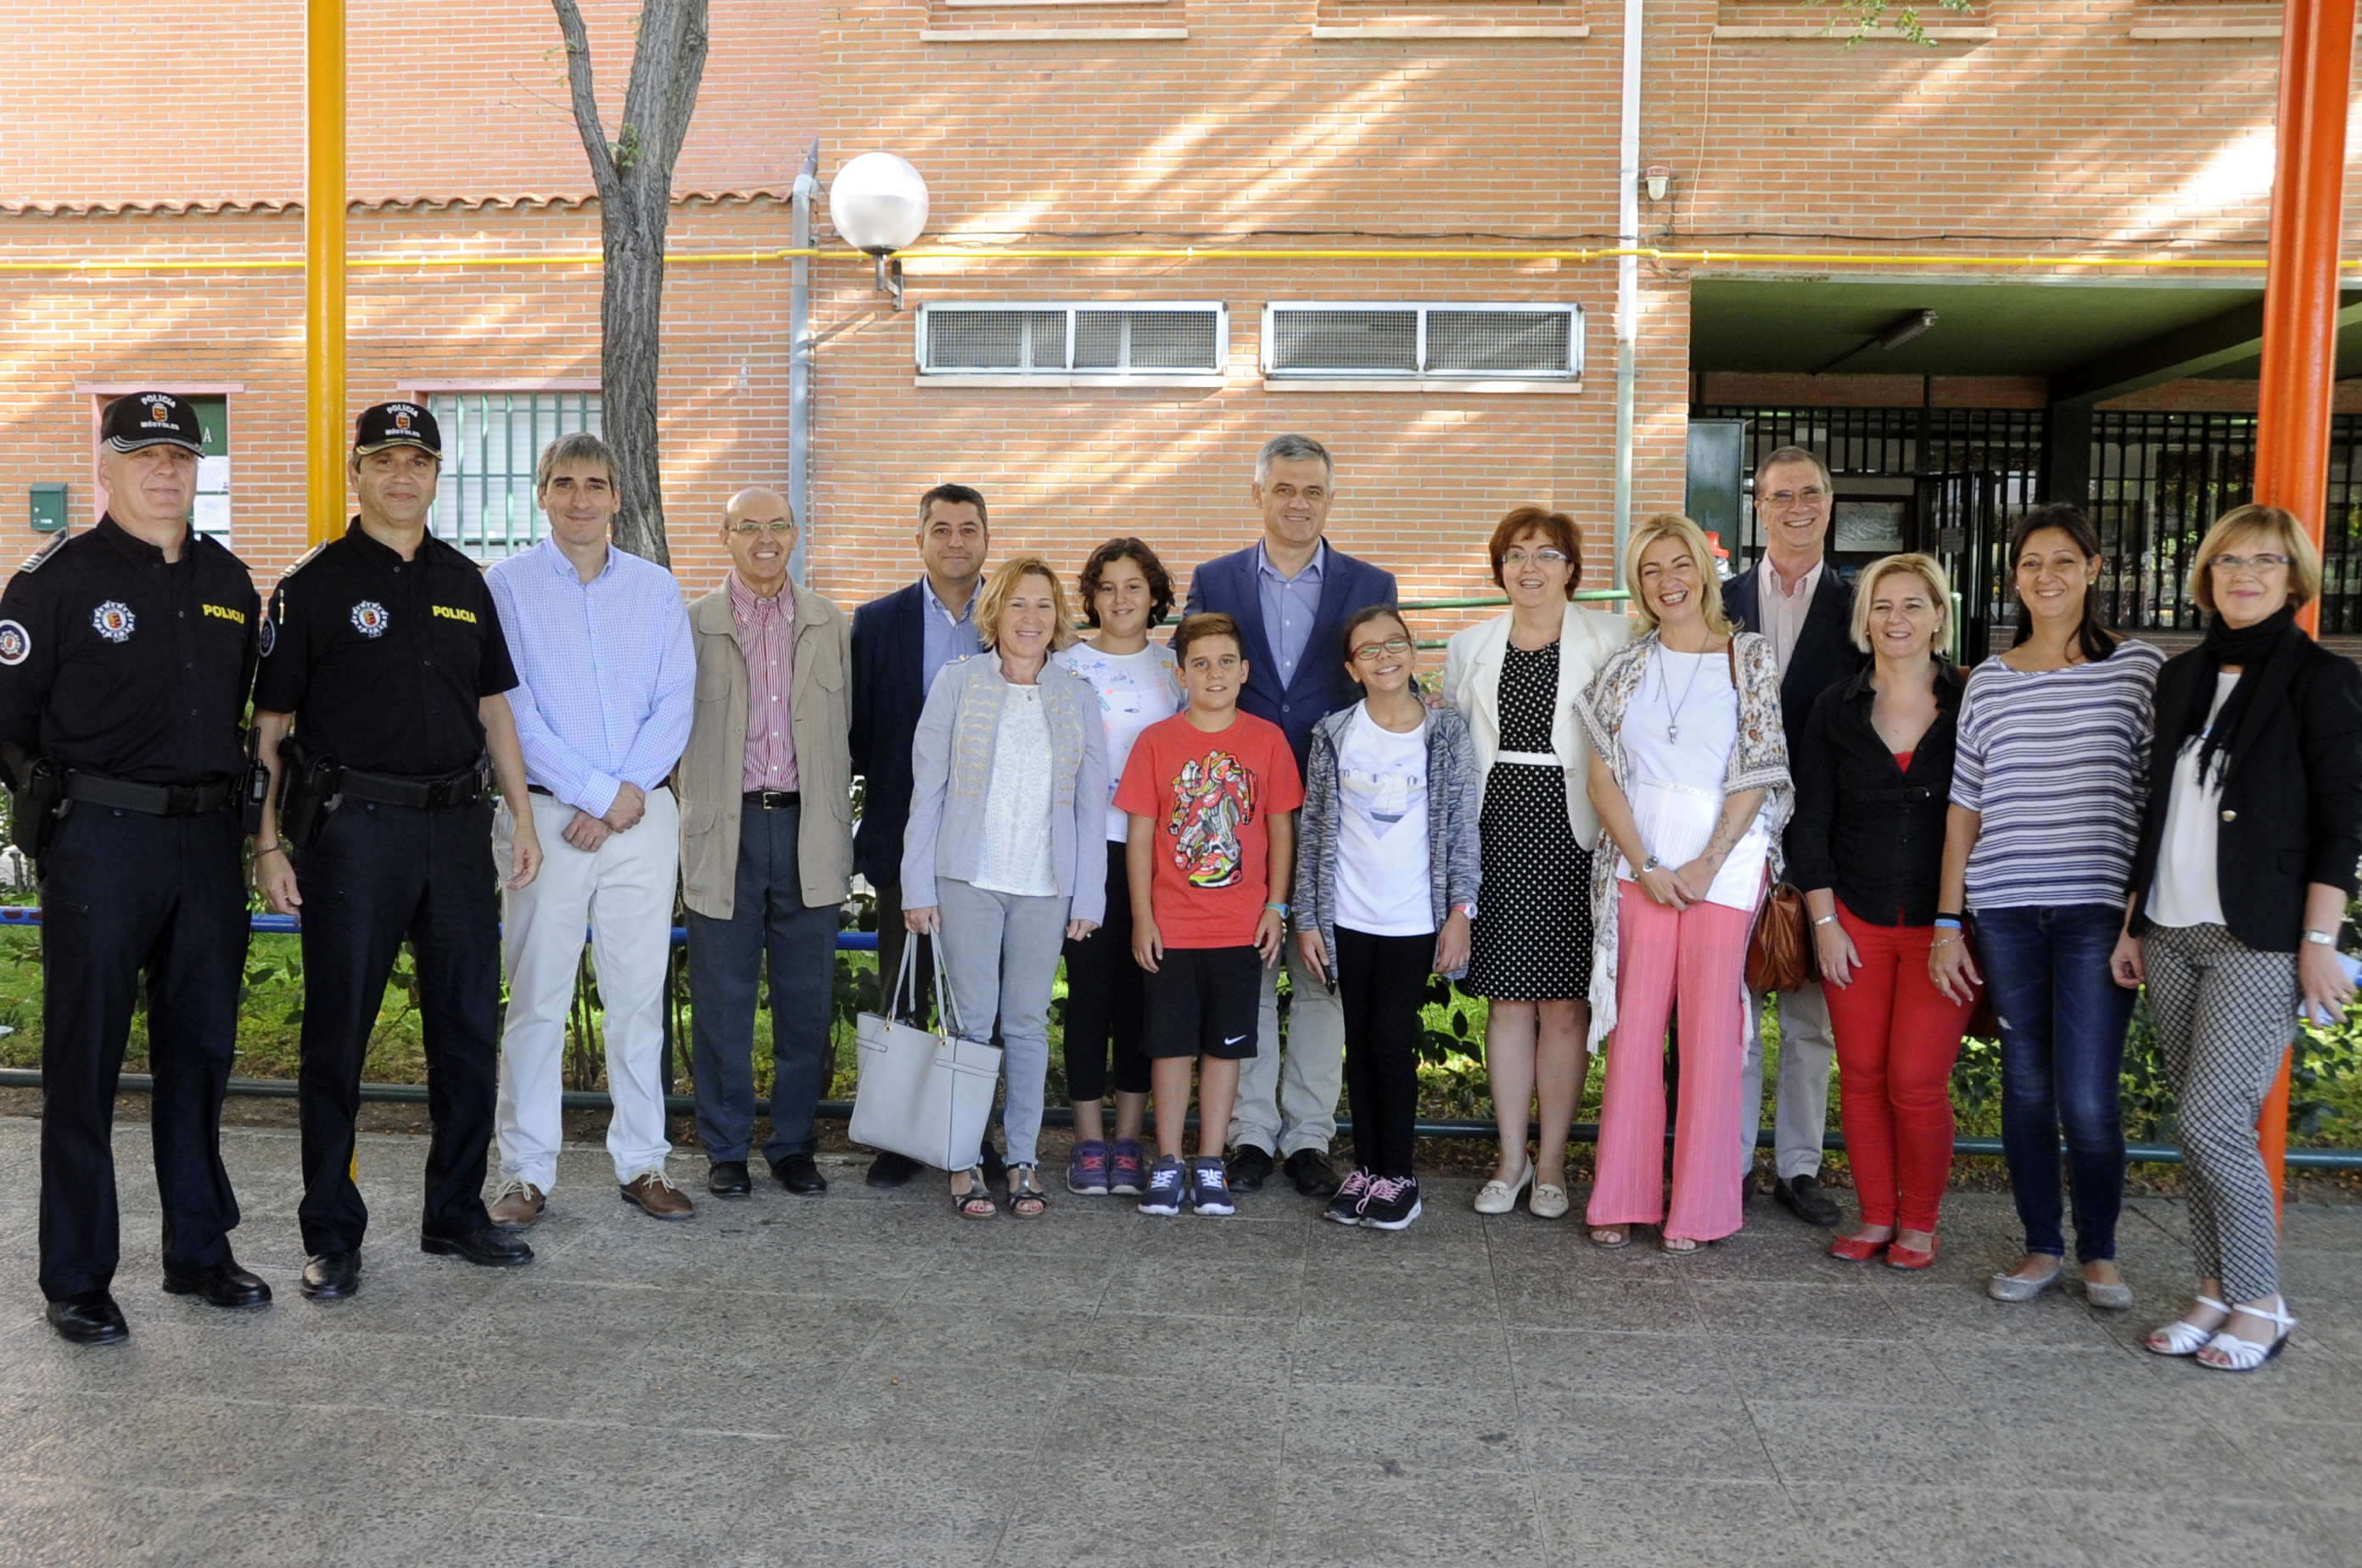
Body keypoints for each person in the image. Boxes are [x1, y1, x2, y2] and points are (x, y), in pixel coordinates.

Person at [253, 400, 543, 1302]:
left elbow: (494, 708)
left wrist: (522, 819)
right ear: (358, 474)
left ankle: (454, 1212)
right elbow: (270, 725)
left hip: (455, 833)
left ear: (435, 474)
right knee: (338, 1038)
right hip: (355, 836)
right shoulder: (314, 585)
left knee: (467, 1030)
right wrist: (267, 842)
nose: (403, 476)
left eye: (418, 460)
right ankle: (331, 1235)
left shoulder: (466, 580)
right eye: (384, 460)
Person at [0, 394, 264, 1342]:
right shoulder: (53, 584)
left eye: (181, 457)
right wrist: (57, 818)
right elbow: (10, 724)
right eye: (143, 454)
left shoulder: (233, 582)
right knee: (86, 1061)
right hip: (102, 845)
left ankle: (198, 1252)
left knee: (199, 1057)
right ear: (105, 465)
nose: (165, 471)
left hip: (205, 846)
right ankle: (77, 1275)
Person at [2118, 505, 2362, 1369]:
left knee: (2215, 1118)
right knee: (2198, 1126)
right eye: (2228, 561)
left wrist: (2319, 940)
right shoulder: (2180, 679)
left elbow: (2343, 823)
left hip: (2257, 939)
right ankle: (2214, 1290)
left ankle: (2262, 1299)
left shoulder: (2321, 681)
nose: (2244, 575)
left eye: (2264, 561)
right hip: (2172, 930)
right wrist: (2132, 918)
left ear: (2294, 578)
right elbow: (2156, 811)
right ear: (2206, 576)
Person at [1933, 503, 2165, 1309]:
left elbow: (2154, 799)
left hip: (2098, 911)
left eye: (2064, 561)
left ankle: (2099, 1251)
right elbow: (1966, 804)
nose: (2047, 577)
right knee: (2027, 1086)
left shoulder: (2136, 670)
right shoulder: (1988, 680)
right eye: (2032, 563)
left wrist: (2138, 917)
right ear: (2015, 577)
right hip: (2003, 909)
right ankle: (2041, 1246)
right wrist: (1947, 920)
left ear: (2094, 570)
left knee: (2088, 1093)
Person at [481, 434, 696, 1227]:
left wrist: (623, 800)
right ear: (542, 493)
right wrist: (597, 795)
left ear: (617, 497)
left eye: (595, 484)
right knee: (536, 1000)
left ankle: (643, 1164)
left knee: (638, 999)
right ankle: (525, 1174)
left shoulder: (655, 589)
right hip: (544, 816)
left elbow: (676, 699)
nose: (580, 498)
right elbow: (509, 708)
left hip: (640, 819)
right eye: (564, 483)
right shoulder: (503, 588)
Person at [1182, 434, 1395, 1199]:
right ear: (1259, 495)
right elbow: (1199, 687)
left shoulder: (1371, 583)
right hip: (1235, 813)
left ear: (1329, 499)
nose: (1297, 503)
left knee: (1319, 974)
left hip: (1339, 814)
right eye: (1283, 489)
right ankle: (1248, 1133)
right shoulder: (1214, 579)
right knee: (1248, 966)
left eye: (1311, 491)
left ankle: (1308, 1136)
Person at [1578, 514, 1789, 1252]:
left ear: (1703, 569)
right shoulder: (1626, 667)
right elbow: (1602, 774)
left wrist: (1705, 863)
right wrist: (1646, 864)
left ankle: (1699, 1207)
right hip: (1643, 866)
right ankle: (1622, 1196)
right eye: (1650, 571)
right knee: (1635, 1032)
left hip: (1722, 869)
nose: (1668, 582)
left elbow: (1761, 766)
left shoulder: (1747, 657)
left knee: (1710, 1034)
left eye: (1679, 566)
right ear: (1639, 586)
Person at [902, 558, 1107, 1218]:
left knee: (1024, 1024)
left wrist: (1090, 896)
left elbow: (1090, 809)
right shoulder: (958, 684)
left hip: (1045, 884)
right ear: (995, 613)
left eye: (1043, 606)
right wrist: (916, 885)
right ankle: (964, 1162)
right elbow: (926, 791)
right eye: (1018, 605)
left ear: (1059, 617)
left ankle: (1022, 1160)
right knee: (970, 1025)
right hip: (968, 876)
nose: (1030, 619)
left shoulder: (1077, 694)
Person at [1441, 505, 1630, 1219]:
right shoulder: (1471, 645)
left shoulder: (1611, 637)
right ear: (1500, 568)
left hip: (1577, 829)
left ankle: (1552, 1164)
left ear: (1572, 569)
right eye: (1517, 553)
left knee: (1565, 1005)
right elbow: (1459, 748)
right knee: (1508, 1001)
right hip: (1497, 832)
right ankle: (1510, 1159)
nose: (1531, 566)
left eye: (1548, 554)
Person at [1790, 554, 1976, 1269]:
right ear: (1864, 621)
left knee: (1917, 1082)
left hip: (1945, 930)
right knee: (1862, 1075)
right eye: (1881, 606)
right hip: (1856, 921)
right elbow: (1809, 825)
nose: (1896, 619)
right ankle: (1874, 1216)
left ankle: (1920, 1223)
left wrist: (1956, 926)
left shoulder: (1972, 700)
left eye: (1912, 605)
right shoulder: (1835, 707)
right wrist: (1824, 922)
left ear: (1939, 616)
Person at [677, 490, 854, 1200]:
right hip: (726, 831)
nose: (764, 538)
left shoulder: (831, 624)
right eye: (747, 527)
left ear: (796, 534)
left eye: (777, 525)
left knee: (806, 999)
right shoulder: (692, 626)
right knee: (721, 998)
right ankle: (725, 1148)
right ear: (724, 537)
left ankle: (792, 1145)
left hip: (809, 828)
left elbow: (853, 730)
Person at [1295, 608, 1481, 1230]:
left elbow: (1460, 829)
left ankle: (1400, 1174)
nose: (1383, 657)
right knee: (1360, 1042)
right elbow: (1315, 830)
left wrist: (1461, 913)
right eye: (1367, 650)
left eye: (1394, 644)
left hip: (1411, 919)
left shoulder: (1444, 733)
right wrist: (1309, 917)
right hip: (1347, 914)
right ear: (1352, 667)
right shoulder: (1335, 734)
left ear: (1413, 650)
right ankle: (1368, 1168)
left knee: (1392, 1040)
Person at [1117, 612, 1301, 1217]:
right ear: (1180, 675)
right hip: (1172, 925)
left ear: (1245, 671)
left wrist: (1277, 905)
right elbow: (1141, 838)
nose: (1214, 673)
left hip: (1240, 925)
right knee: (1169, 1047)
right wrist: (1143, 918)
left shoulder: (1267, 740)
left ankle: (1211, 1162)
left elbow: (1280, 831)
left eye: (1226, 662)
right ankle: (1169, 1162)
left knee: (1226, 1049)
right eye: (1200, 663)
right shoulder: (1156, 742)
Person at [1722, 445, 1857, 1227]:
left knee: (1810, 1018)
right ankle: (1731, 1160)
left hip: (1825, 831)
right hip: (1735, 832)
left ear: (1829, 503)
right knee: (1735, 1010)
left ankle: (1798, 1166)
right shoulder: (1719, 601)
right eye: (1781, 495)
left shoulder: (1862, 604)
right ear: (1760, 507)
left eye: (1811, 493)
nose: (1797, 506)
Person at [849, 482, 991, 1189]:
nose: (956, 542)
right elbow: (862, 736)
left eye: (969, 529)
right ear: (920, 540)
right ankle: (900, 1137)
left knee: (979, 989)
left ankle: (980, 1134)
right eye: (942, 529)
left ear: (986, 540)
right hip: (904, 833)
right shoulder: (877, 623)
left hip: (992, 841)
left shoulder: (1014, 615)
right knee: (904, 984)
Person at [1052, 538, 1182, 1196]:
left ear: (1155, 595)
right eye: (1107, 587)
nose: (1121, 599)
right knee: (1090, 998)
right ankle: (1089, 1141)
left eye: (1135, 586)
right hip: (1086, 851)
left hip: (1158, 858)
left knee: (1143, 996)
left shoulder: (1174, 669)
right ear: (1091, 596)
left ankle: (1129, 1140)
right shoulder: (1065, 667)